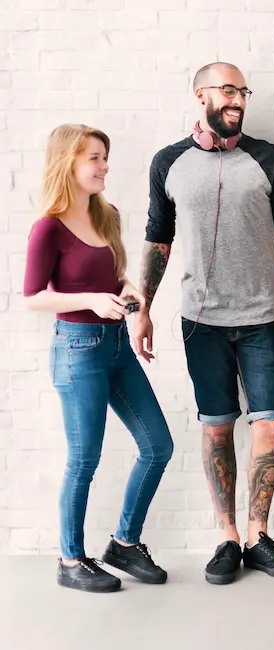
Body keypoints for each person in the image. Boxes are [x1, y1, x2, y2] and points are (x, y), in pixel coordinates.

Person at [134, 62, 274, 585]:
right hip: (200, 322)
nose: (238, 99)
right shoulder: (168, 161)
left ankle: (259, 535)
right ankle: (228, 537)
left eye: (243, 92)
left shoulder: (269, 159)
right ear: (200, 95)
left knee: (271, 425)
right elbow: (157, 236)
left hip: (263, 318)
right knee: (216, 428)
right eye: (228, 90)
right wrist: (143, 305)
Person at [24, 124, 174, 593]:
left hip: (116, 349)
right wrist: (90, 299)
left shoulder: (106, 213)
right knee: (83, 460)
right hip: (77, 350)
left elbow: (114, 275)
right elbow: (31, 297)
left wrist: (127, 289)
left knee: (158, 447)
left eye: (104, 156)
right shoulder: (48, 226)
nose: (104, 165)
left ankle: (124, 544)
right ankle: (71, 560)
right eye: (94, 158)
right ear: (68, 162)